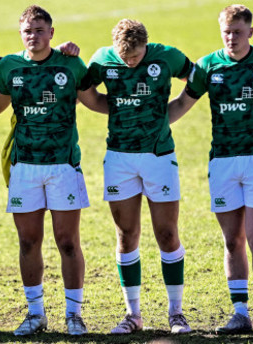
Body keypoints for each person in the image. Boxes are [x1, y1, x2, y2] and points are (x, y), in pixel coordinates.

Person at [167, 4, 253, 334]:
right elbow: (184, 102)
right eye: (226, 32)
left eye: (238, 32)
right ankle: (240, 313)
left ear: (250, 32)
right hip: (222, 162)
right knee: (232, 242)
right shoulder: (208, 65)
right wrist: (148, 123)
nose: (232, 38)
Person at [0, 5, 106, 336]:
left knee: (68, 242)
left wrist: (131, 110)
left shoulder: (69, 64)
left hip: (63, 165)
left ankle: (74, 315)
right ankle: (36, 314)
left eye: (40, 30)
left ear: (51, 33)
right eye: (28, 31)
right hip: (24, 166)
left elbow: (93, 100)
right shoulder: (10, 66)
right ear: (20, 33)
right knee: (28, 242)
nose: (33, 36)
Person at [85, 19, 192, 334]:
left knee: (167, 234)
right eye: (125, 58)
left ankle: (176, 313)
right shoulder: (102, 59)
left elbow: (197, 77)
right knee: (126, 235)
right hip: (119, 158)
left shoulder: (167, 56)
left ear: (147, 45)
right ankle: (133, 315)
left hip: (159, 156)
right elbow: (86, 93)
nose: (130, 62)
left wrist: (176, 109)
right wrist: (116, 108)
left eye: (136, 56)